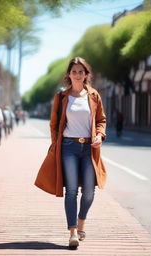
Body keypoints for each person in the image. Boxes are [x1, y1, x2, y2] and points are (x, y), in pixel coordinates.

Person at [35, 57, 107, 249]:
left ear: (86, 74)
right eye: (74, 71)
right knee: (72, 191)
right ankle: (73, 233)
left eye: (81, 71)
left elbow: (101, 120)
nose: (77, 74)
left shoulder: (94, 95)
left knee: (90, 193)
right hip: (68, 147)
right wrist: (56, 144)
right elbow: (54, 123)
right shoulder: (61, 96)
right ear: (69, 74)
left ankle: (81, 222)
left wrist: (100, 135)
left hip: (89, 149)